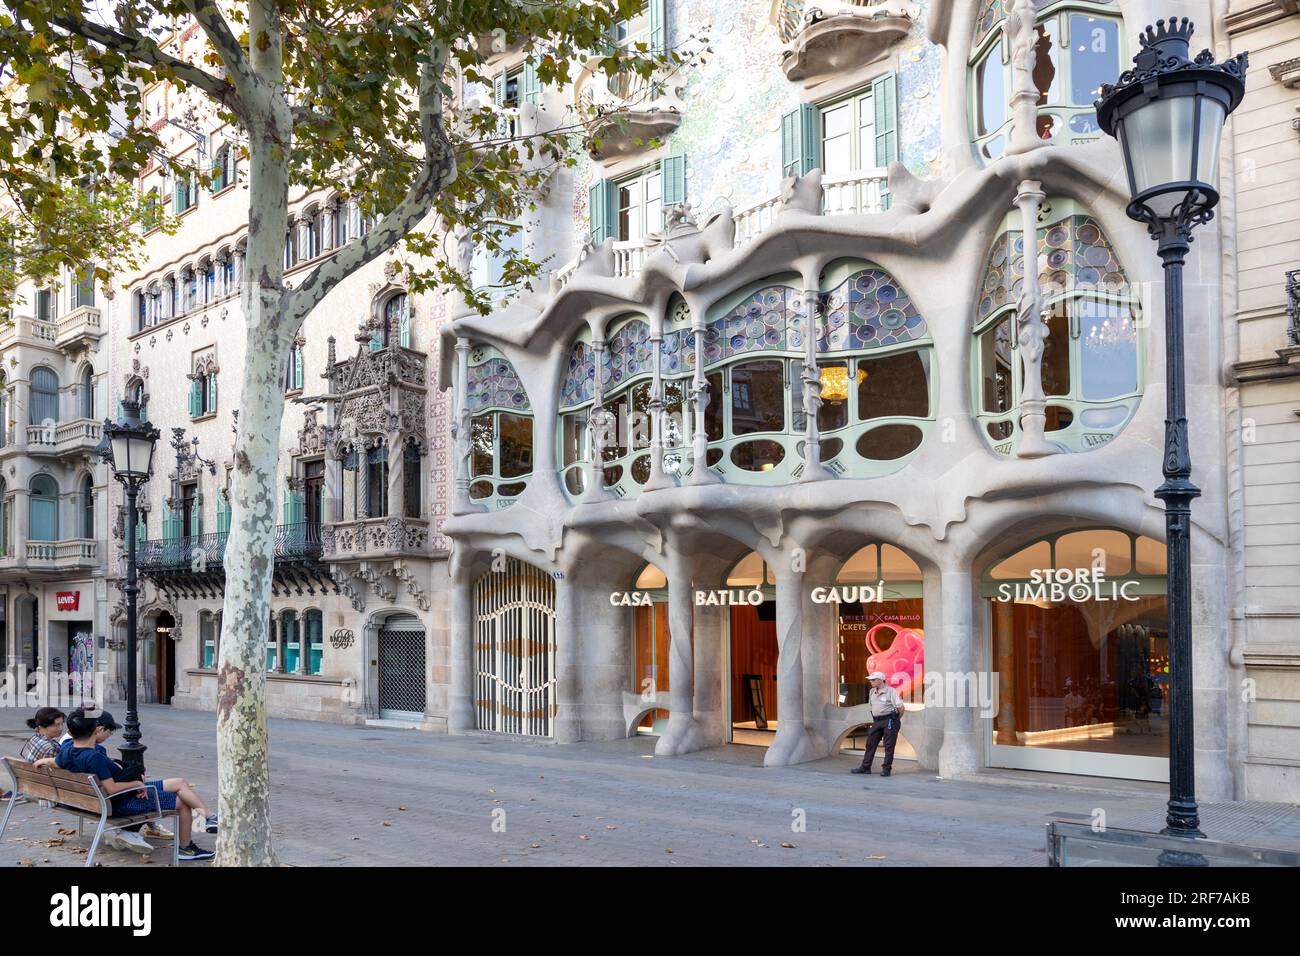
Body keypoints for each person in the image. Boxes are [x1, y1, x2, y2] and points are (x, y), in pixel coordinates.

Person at [55, 709, 217, 862]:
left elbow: (53, 762)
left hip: (99, 799)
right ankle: (186, 849)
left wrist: (41, 761)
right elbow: (111, 788)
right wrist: (137, 783)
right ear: (96, 730)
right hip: (118, 802)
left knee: (179, 782)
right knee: (181, 802)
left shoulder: (67, 752)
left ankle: (210, 818)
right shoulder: (93, 757)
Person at [851, 671, 904, 777]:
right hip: (877, 721)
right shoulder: (872, 691)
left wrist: (895, 720)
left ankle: (886, 769)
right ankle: (865, 767)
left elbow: (901, 708)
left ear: (880, 680)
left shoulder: (891, 691)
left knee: (889, 746)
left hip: (889, 720)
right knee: (870, 743)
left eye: (873, 680)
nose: (871, 681)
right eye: (870, 679)